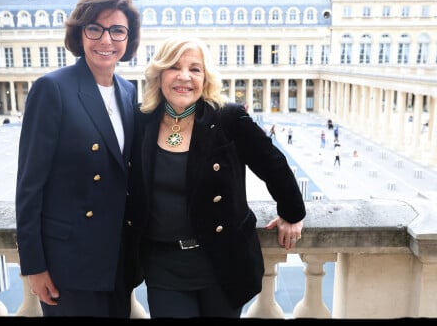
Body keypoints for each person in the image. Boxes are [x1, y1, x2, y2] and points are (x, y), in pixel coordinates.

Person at [127, 36, 306, 318]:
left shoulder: (227, 119)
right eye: (174, 67)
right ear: (159, 74)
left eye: (195, 69)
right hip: (164, 264)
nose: (184, 77)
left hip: (222, 261)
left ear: (205, 77)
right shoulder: (140, 120)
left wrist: (292, 213)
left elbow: (273, 164)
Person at [15, 0, 141, 317]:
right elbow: (29, 186)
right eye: (95, 29)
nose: (106, 40)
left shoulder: (128, 91)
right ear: (80, 33)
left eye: (117, 30)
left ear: (128, 38)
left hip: (116, 260)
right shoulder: (53, 89)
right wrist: (34, 266)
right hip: (68, 265)